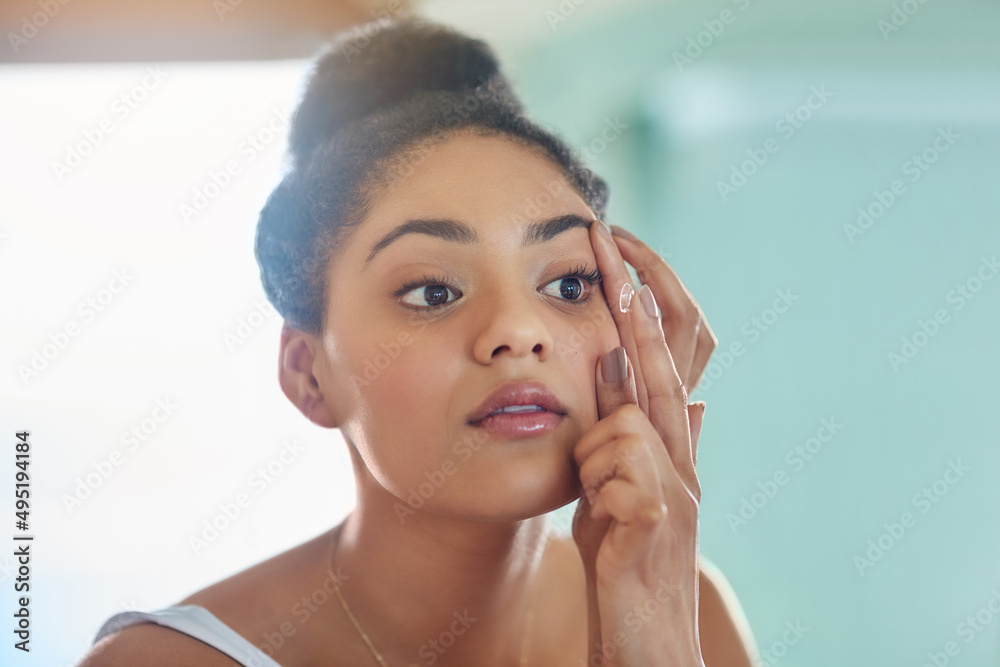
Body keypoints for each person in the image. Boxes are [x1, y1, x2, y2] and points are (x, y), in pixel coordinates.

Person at [81, 14, 758, 667]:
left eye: (570, 285)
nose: (519, 331)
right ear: (308, 375)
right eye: (433, 292)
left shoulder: (688, 608)